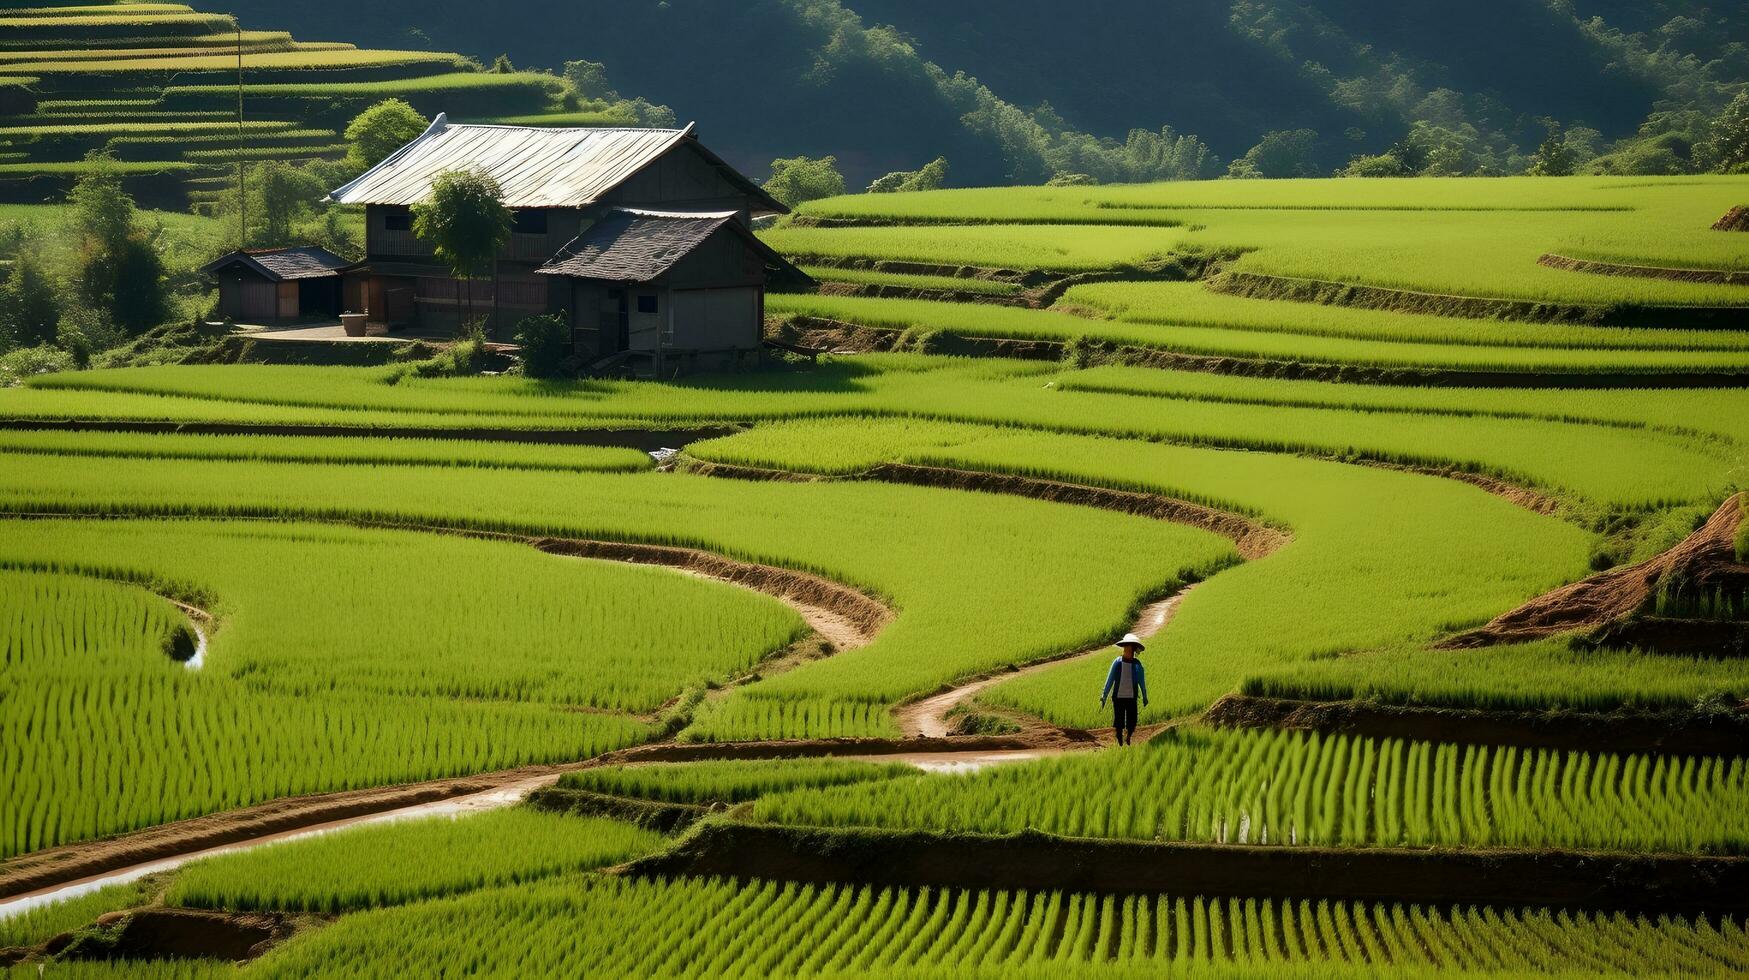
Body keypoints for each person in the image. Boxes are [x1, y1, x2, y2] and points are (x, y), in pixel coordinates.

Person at [1099, 633, 1149, 746]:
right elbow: (1110, 679)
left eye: (1128, 647)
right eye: (1125, 647)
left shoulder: (1137, 665)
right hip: (1118, 698)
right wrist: (1104, 695)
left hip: (1132, 698)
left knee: (1132, 721)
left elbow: (1142, 682)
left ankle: (1128, 736)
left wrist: (1145, 696)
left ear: (1132, 649)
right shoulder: (1117, 663)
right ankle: (1119, 739)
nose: (1126, 650)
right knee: (1119, 721)